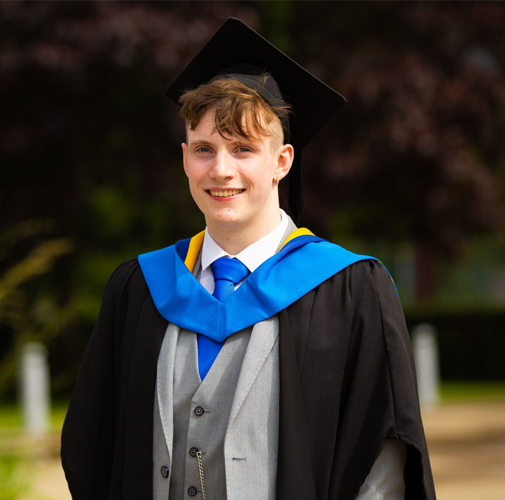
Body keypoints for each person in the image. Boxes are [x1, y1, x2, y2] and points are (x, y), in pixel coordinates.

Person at [62, 18, 435, 500]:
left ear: (282, 161)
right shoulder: (140, 287)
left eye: (243, 149)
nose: (221, 169)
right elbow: (93, 445)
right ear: (184, 159)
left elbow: (384, 460)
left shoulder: (351, 289)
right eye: (204, 149)